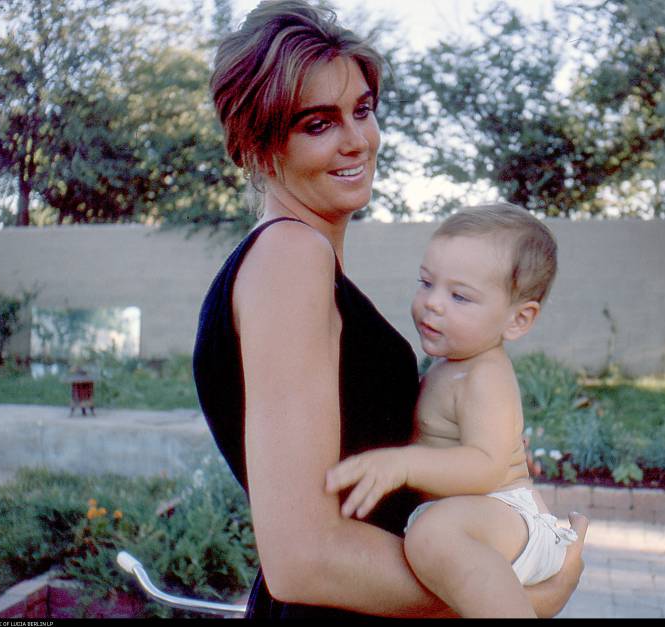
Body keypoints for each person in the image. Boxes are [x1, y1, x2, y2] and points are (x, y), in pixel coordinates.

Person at [192, 0, 588, 618]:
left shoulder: (301, 262)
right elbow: (304, 558)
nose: (357, 140)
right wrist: (521, 600)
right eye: (317, 123)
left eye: (363, 110)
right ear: (257, 142)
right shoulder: (291, 258)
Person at [325, 204, 576, 618]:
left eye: (459, 296)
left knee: (431, 537)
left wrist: (403, 464)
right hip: (479, 521)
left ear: (518, 320)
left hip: (509, 516)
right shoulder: (452, 366)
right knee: (431, 538)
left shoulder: (485, 375)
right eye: (426, 283)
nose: (433, 304)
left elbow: (488, 467)